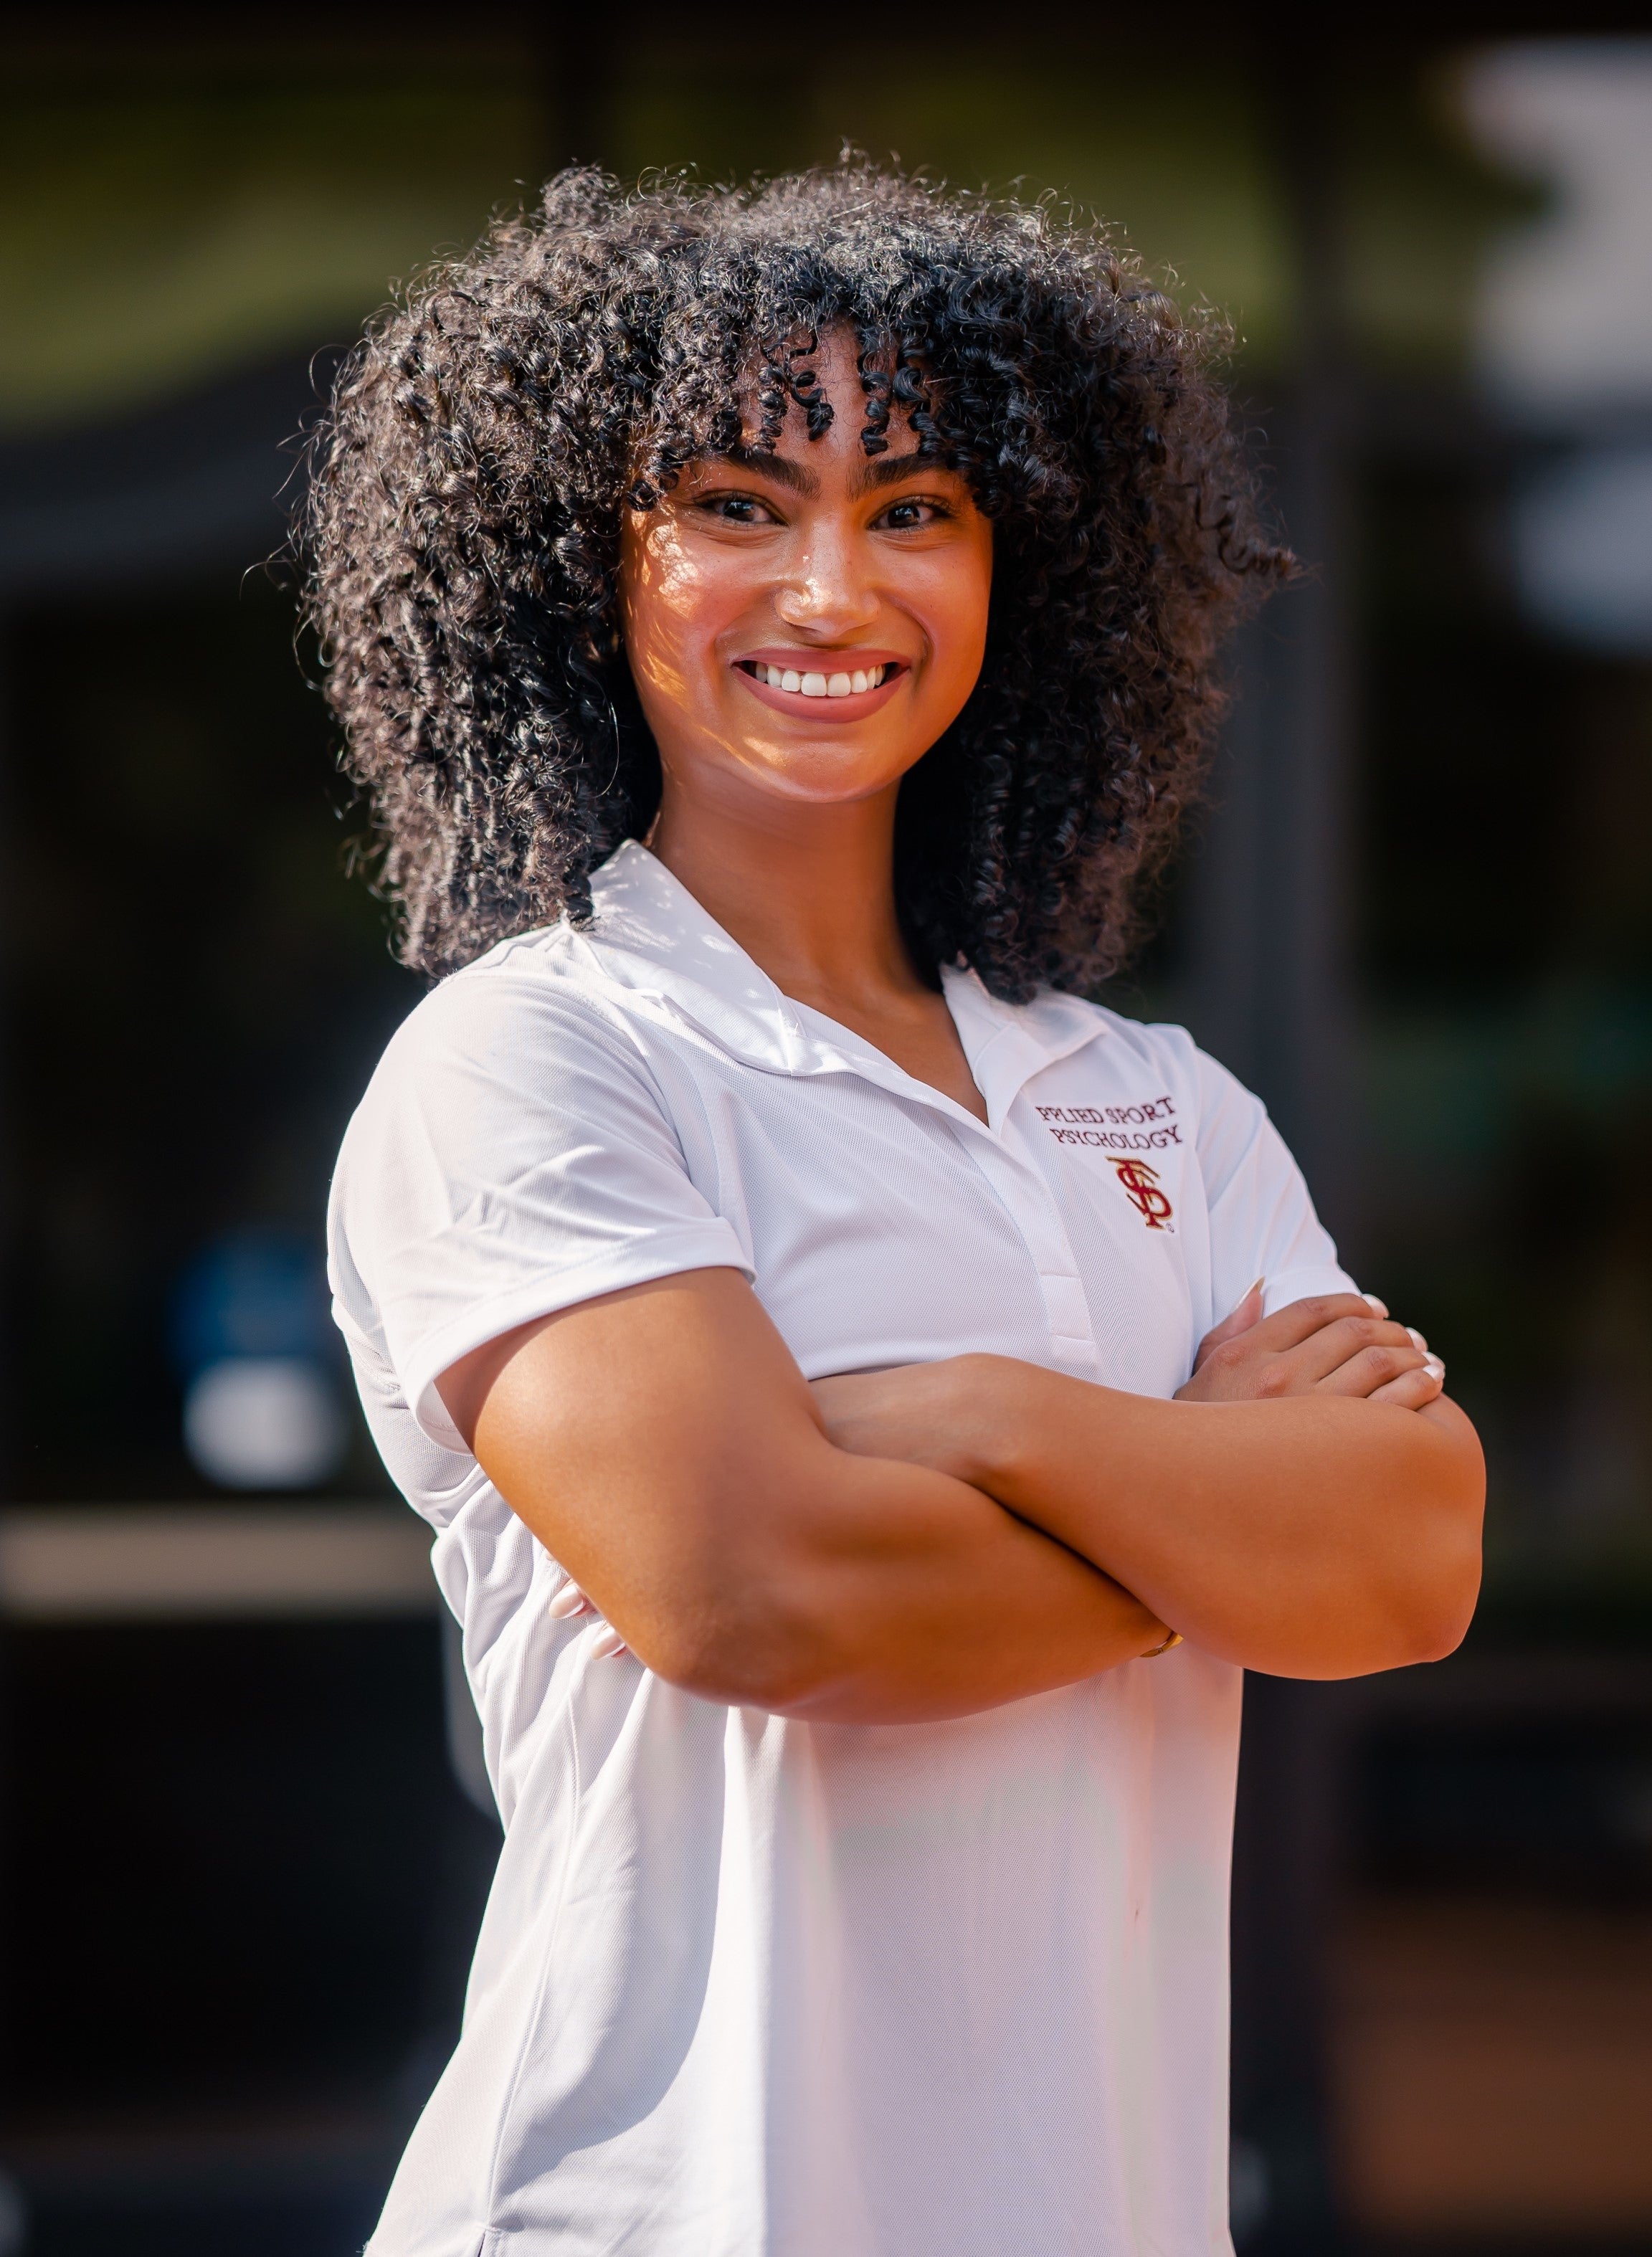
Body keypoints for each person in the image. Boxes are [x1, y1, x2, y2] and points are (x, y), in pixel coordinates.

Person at [307, 164, 1484, 2257]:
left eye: (916, 506)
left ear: (1021, 564)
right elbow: (767, 1594)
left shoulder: (1157, 1102)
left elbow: (1407, 1558)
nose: (835, 590)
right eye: (741, 504)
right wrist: (1213, 1515)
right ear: (589, 567)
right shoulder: (541, 1059)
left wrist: (985, 1418)